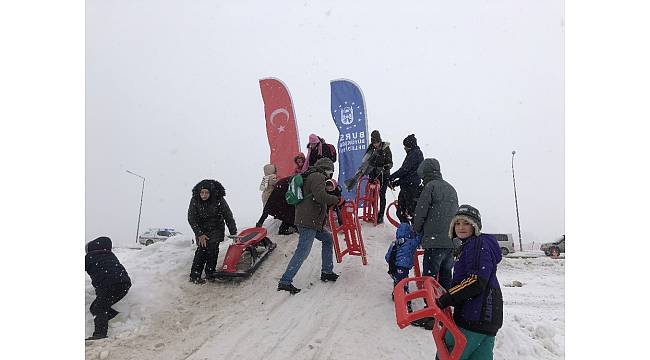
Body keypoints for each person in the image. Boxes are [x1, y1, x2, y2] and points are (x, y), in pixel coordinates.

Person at [435, 205, 503, 359]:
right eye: (457, 223)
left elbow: (475, 281)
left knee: (447, 353)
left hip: (475, 315)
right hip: (487, 318)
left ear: (475, 226)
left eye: (466, 223)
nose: (461, 227)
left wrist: (446, 298)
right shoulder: (471, 245)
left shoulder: (477, 244)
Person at [278, 158, 343, 294]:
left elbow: (317, 195)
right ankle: (285, 281)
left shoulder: (310, 175)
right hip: (309, 221)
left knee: (327, 239)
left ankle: (327, 271)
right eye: (330, 171)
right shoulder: (318, 176)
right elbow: (320, 196)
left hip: (311, 220)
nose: (331, 174)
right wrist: (336, 200)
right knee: (302, 251)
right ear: (327, 169)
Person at [412, 158, 458, 290]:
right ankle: (445, 307)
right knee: (446, 276)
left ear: (425, 173)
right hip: (451, 242)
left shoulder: (430, 187)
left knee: (429, 278)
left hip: (434, 242)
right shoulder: (451, 188)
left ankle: (430, 306)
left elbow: (421, 212)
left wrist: (416, 228)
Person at [188, 179, 237, 284]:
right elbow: (191, 218)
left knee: (213, 250)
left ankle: (210, 274)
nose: (204, 195)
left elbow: (228, 215)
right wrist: (199, 234)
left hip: (216, 228)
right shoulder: (195, 200)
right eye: (202, 192)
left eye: (206, 193)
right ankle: (195, 275)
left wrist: (233, 232)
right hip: (201, 230)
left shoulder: (219, 199)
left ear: (211, 192)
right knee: (202, 250)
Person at [85, 236, 132, 340]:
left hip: (108, 285)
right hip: (124, 284)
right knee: (96, 307)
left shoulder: (89, 257)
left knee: (98, 308)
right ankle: (116, 317)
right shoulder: (110, 255)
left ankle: (100, 334)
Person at [344, 130, 393, 224]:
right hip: (373, 174)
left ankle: (380, 215)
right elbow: (365, 162)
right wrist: (363, 172)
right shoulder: (370, 148)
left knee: (382, 195)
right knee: (372, 195)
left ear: (380, 140)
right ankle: (373, 213)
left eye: (377, 142)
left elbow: (390, 163)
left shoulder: (385, 148)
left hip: (383, 175)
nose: (375, 144)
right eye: (374, 142)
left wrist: (385, 166)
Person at [388, 134, 424, 223]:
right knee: (402, 212)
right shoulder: (413, 153)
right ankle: (407, 230)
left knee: (409, 213)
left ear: (410, 145)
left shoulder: (415, 154)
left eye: (406, 146)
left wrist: (392, 177)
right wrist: (397, 182)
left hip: (411, 188)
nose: (404, 148)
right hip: (407, 186)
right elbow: (407, 173)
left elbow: (405, 170)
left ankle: (413, 233)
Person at [385, 223, 421, 297]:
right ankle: (404, 295)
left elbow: (387, 256)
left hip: (394, 266)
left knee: (398, 280)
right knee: (403, 280)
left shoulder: (395, 243)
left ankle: (396, 293)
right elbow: (418, 240)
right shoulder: (410, 242)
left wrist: (392, 262)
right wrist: (420, 233)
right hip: (404, 267)